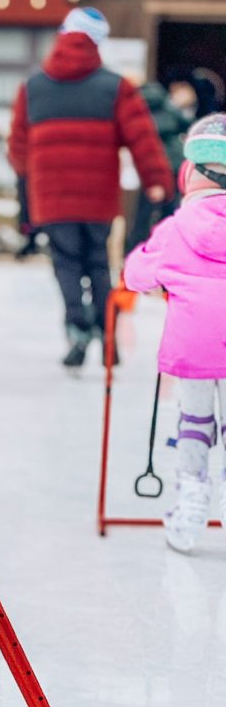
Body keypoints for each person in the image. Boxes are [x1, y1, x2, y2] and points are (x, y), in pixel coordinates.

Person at [8, 7, 173, 368]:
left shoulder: (33, 87)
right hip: (98, 197)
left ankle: (77, 328)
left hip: (51, 197)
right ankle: (107, 335)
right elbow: (142, 139)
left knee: (66, 263)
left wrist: (28, 178)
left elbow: (18, 148)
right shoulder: (115, 86)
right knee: (98, 263)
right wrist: (157, 181)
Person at [124, 114, 226, 554]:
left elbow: (136, 274)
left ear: (190, 175)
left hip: (194, 350)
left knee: (195, 421)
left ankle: (191, 502)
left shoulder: (175, 229)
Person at [124, 81, 191, 254]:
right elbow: (186, 122)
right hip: (176, 163)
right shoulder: (167, 106)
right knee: (170, 211)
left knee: (143, 213)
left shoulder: (140, 111)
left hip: (153, 165)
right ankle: (166, 248)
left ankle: (135, 251)